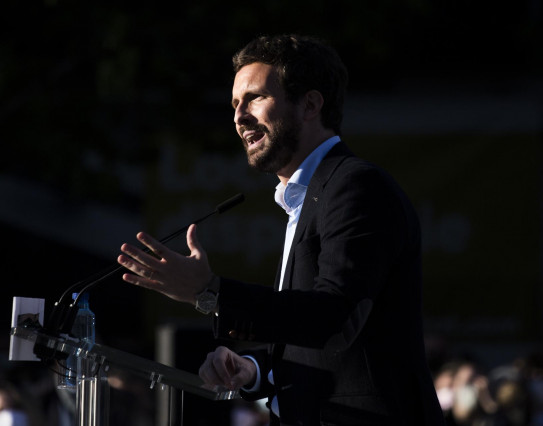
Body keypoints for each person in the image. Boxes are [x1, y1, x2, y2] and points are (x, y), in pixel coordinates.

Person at [118, 34, 444, 425]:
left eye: (254, 98)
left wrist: (209, 292)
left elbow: (335, 318)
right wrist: (252, 369)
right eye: (235, 104)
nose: (239, 118)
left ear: (310, 104)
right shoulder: (309, 197)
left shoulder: (355, 186)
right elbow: (313, 343)